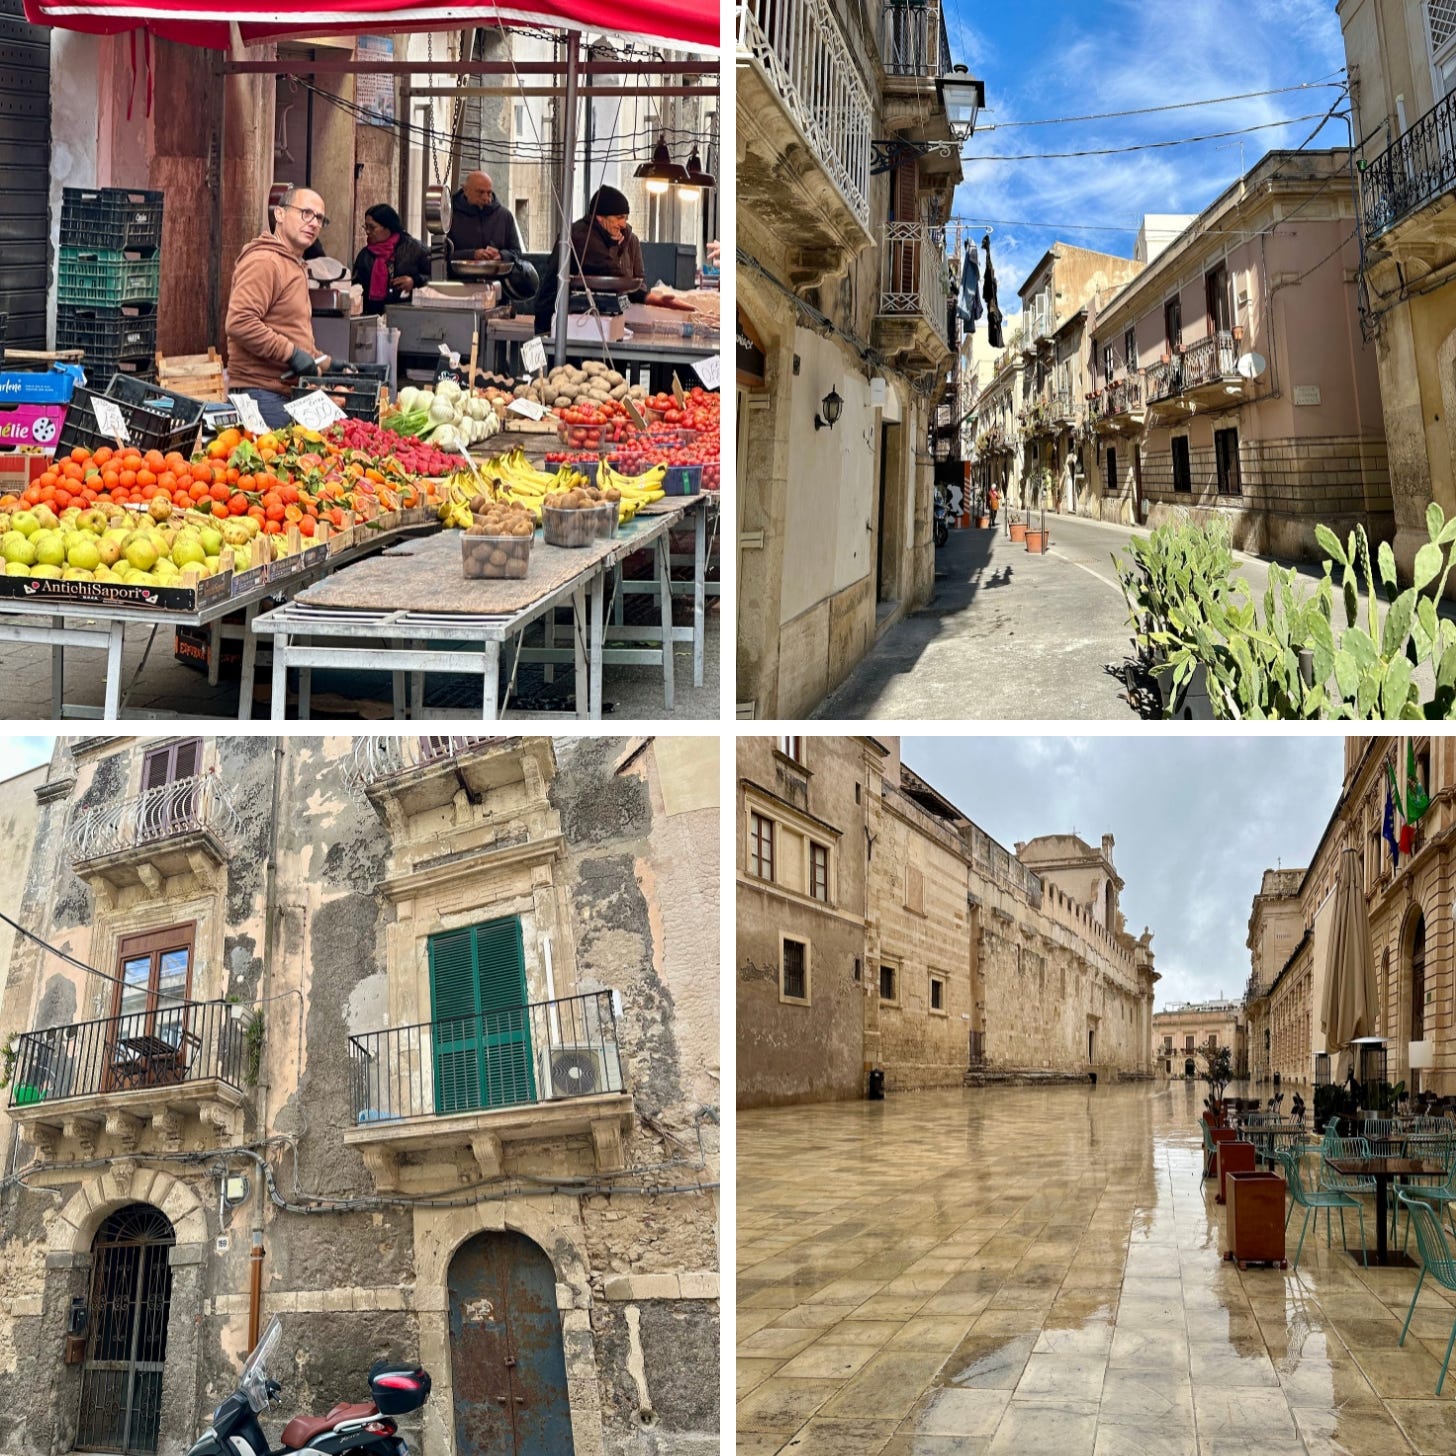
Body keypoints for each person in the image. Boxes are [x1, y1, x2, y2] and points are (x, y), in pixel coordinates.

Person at [225, 186, 331, 430]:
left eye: (319, 218)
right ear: (280, 215)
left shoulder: (293, 264)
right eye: (305, 213)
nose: (313, 223)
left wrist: (325, 362)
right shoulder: (265, 261)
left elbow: (289, 331)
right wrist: (291, 354)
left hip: (285, 392)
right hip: (261, 394)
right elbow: (240, 322)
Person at [533, 185, 648, 333]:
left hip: (576, 320)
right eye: (619, 218)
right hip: (553, 320)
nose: (623, 224)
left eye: (625, 218)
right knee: (549, 356)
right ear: (600, 217)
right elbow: (610, 272)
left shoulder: (599, 235)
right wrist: (651, 298)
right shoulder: (583, 237)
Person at [351, 204, 430, 316]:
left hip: (409, 315)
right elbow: (355, 287)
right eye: (366, 227)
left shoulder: (415, 249)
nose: (367, 232)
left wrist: (414, 281)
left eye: (372, 227)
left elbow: (438, 279)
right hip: (373, 317)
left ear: (388, 228)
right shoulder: (365, 255)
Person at [447, 171, 524, 261]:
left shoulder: (504, 216)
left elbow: (517, 252)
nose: (485, 197)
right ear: (466, 190)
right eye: (480, 192)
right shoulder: (450, 216)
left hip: (497, 273)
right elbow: (442, 255)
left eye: (489, 193)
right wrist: (471, 255)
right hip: (459, 273)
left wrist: (502, 255)